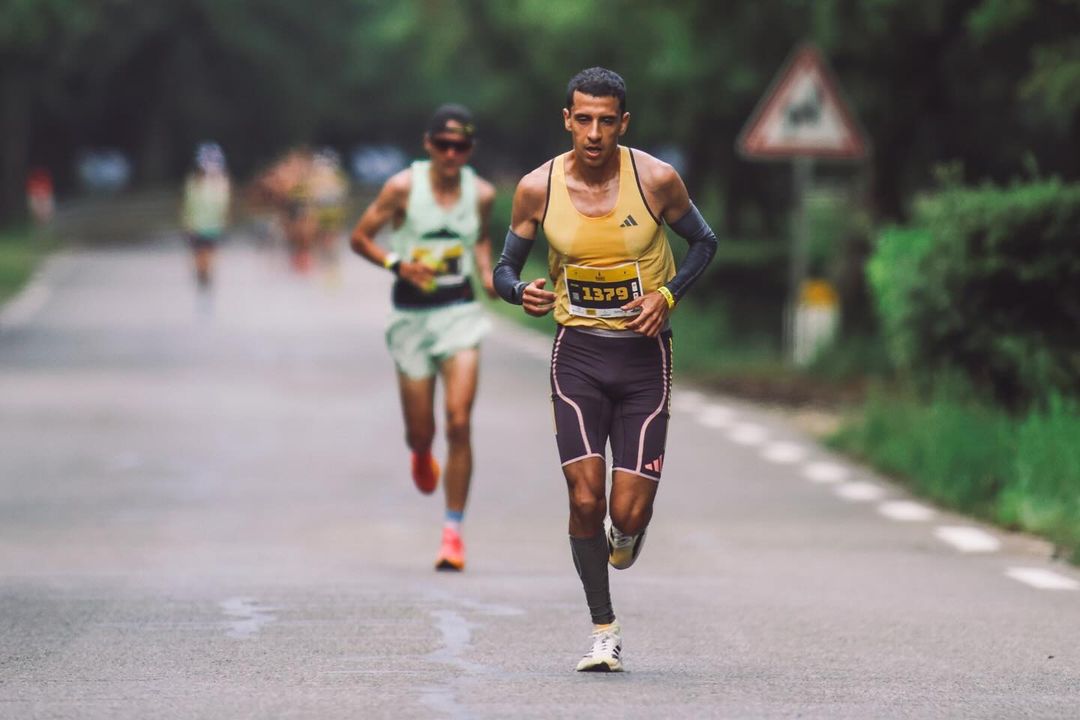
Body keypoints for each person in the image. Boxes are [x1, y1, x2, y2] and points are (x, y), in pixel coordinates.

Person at [493, 67, 717, 671]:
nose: (594, 132)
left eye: (606, 120)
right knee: (584, 496)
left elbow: (705, 242)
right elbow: (503, 269)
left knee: (627, 513)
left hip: (646, 360)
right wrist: (521, 293)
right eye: (583, 119)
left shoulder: (656, 180)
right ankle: (603, 627)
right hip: (579, 355)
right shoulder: (537, 189)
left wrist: (667, 296)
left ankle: (626, 534)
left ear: (624, 122)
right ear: (567, 120)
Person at [350, 104, 497, 571]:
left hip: (460, 313)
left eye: (462, 147)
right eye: (443, 145)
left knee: (458, 421)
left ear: (471, 150)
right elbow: (360, 238)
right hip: (411, 317)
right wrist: (398, 264)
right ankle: (418, 452)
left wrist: (492, 278)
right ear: (428, 144)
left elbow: (480, 244)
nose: (452, 155)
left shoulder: (483, 194)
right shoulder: (403, 188)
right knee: (423, 430)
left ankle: (453, 533)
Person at [181, 142, 231, 291]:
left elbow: (223, 206)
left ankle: (205, 281)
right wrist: (187, 223)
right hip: (197, 226)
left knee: (207, 256)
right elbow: (188, 205)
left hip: (212, 226)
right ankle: (203, 280)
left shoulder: (221, 183)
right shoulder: (193, 182)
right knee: (200, 256)